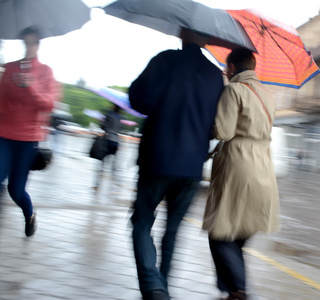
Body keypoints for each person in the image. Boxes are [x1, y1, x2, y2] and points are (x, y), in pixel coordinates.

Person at [129, 27, 224, 300]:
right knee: (172, 230)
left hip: (157, 157)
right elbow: (216, 121)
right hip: (192, 165)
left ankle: (152, 284)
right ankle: (164, 286)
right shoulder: (215, 75)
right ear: (206, 40)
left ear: (182, 34)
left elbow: (138, 99)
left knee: (142, 222)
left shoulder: (165, 60)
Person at [202, 48, 280, 300]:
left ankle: (238, 290)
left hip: (238, 165)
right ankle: (230, 287)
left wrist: (210, 121)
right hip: (264, 166)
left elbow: (223, 131)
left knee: (220, 232)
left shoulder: (234, 90)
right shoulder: (267, 95)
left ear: (233, 68)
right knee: (241, 230)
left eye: (227, 68)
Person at [0, 26, 57, 237]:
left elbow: (48, 105)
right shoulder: (11, 68)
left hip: (27, 138)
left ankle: (30, 214)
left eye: (33, 42)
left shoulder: (45, 72)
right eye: (26, 42)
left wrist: (31, 87)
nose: (29, 46)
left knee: (15, 190)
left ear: (38, 45)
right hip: (4, 133)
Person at [94, 104, 122, 190]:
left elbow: (103, 127)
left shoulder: (109, 115)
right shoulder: (120, 118)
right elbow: (120, 129)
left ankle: (97, 184)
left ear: (114, 107)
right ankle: (113, 186)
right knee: (113, 165)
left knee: (102, 163)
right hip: (116, 141)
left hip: (107, 140)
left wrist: (102, 121)